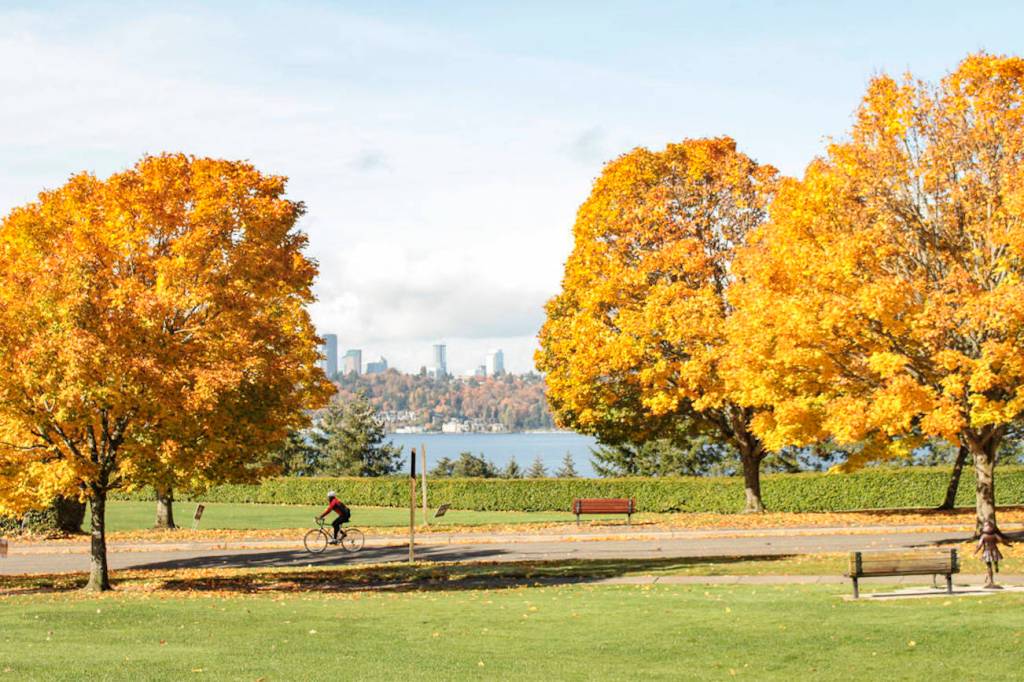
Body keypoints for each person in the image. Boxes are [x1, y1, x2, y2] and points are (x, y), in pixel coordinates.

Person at [974, 521, 1013, 589]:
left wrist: (975, 551)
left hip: (986, 552)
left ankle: (991, 580)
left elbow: (980, 545)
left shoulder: (983, 536)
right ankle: (996, 565)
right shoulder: (995, 535)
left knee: (989, 566)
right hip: (994, 551)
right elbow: (1002, 541)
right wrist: (1008, 545)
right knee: (995, 560)